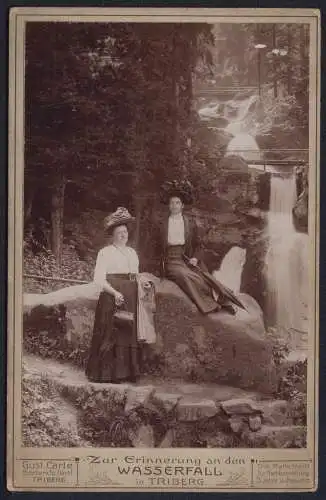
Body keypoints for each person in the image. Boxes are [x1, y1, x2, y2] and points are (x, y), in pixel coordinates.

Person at [157, 180, 237, 315]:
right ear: (168, 205)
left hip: (185, 258)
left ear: (182, 205)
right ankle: (210, 305)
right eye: (172, 203)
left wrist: (195, 257)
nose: (174, 206)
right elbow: (155, 247)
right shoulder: (162, 223)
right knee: (186, 275)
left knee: (205, 277)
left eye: (177, 203)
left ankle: (224, 301)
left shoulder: (189, 223)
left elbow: (199, 244)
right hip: (170, 260)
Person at [86, 207, 141, 383]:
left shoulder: (132, 253)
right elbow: (98, 279)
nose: (123, 235)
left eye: (125, 232)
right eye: (119, 232)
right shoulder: (105, 252)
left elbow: (136, 275)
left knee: (127, 331)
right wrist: (115, 293)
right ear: (113, 235)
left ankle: (128, 372)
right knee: (111, 333)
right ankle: (108, 374)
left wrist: (143, 282)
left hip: (130, 297)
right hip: (111, 297)